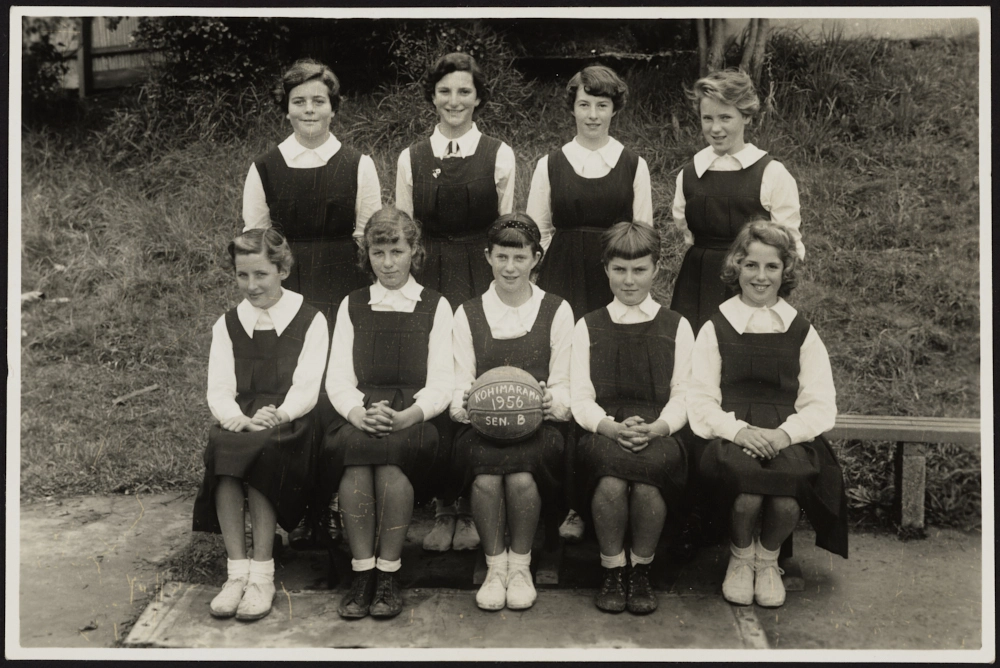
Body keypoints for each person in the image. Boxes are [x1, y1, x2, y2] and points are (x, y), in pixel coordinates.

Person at [243, 59, 382, 548]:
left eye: (318, 101)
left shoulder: (357, 163)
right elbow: (255, 243)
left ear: (333, 107)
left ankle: (339, 503)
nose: (308, 109)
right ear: (286, 109)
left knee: (336, 391)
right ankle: (295, 509)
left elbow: (368, 238)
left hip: (342, 285)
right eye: (298, 101)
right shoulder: (264, 167)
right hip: (288, 293)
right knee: (293, 392)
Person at [688, 219, 848, 609]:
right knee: (746, 494)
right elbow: (700, 398)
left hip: (785, 432)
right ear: (736, 268)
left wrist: (784, 435)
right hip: (733, 432)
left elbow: (820, 402)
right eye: (751, 266)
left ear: (785, 271)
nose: (760, 277)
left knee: (787, 496)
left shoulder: (801, 330)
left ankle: (768, 559)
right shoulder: (715, 326)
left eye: (771, 267)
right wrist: (738, 431)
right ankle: (741, 559)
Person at [397, 51, 515, 552]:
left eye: (464, 91)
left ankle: (471, 504)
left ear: (479, 97)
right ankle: (442, 505)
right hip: (429, 274)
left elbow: (508, 228)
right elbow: (404, 230)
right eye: (445, 91)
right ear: (432, 97)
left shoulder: (500, 153)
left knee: (473, 377)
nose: (454, 100)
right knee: (434, 376)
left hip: (478, 273)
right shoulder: (411, 157)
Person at [319, 208, 455, 619]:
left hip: (415, 419)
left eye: (397, 250)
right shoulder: (353, 304)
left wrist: (408, 416)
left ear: (414, 251)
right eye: (379, 252)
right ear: (367, 255)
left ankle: (389, 572)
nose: (389, 262)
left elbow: (442, 383)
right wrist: (358, 413)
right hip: (362, 414)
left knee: (392, 465)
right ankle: (363, 573)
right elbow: (338, 377)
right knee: (357, 467)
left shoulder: (436, 305)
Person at [192, 229, 328, 621]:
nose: (251, 285)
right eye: (242, 276)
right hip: (243, 417)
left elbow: (307, 385)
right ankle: (237, 572)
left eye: (261, 275)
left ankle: (263, 573)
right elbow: (219, 388)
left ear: (282, 269)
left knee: (266, 450)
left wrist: (278, 415)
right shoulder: (228, 324)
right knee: (225, 448)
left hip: (291, 420)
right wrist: (237, 419)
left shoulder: (310, 318)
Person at [451, 213, 574, 611]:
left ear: (536, 258)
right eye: (501, 257)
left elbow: (566, 386)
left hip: (539, 427)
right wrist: (469, 405)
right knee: (486, 479)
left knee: (522, 477)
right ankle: (494, 565)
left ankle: (520, 566)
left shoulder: (557, 310)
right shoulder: (467, 312)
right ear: (487, 256)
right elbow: (457, 386)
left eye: (520, 258)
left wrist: (547, 402)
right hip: (482, 427)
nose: (510, 267)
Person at [570, 221, 693, 615]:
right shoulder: (587, 325)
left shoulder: (677, 326)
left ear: (656, 269)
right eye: (619, 269)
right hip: (604, 430)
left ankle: (641, 569)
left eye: (639, 269)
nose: (628, 280)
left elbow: (683, 395)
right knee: (609, 481)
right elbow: (581, 397)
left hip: (659, 432)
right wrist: (610, 427)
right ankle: (612, 569)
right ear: (605, 268)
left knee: (647, 485)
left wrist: (658, 429)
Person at [670, 68, 803, 334]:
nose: (715, 128)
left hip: (752, 284)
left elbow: (789, 246)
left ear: (746, 117)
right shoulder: (690, 173)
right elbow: (686, 229)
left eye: (725, 117)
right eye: (707, 118)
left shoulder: (771, 173)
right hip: (697, 284)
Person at [526, 64, 654, 321]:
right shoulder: (549, 165)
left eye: (602, 105)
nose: (592, 115)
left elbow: (643, 234)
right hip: (562, 275)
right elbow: (537, 233)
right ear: (573, 108)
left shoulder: (633, 165)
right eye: (584, 105)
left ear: (614, 109)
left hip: (614, 278)